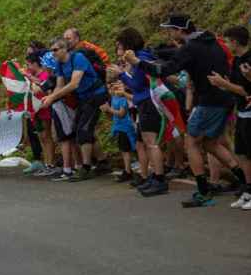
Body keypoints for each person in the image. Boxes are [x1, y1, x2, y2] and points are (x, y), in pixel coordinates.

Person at [124, 15, 244, 207]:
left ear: (180, 30)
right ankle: (245, 180)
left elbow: (163, 71)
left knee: (191, 143)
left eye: (171, 30)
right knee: (210, 143)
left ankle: (203, 192)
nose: (170, 34)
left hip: (208, 101)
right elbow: (178, 56)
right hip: (225, 98)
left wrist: (137, 62)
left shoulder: (191, 48)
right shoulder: (212, 41)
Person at [108, 27, 168, 196]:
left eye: (120, 45)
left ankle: (159, 178)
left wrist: (121, 75)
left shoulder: (140, 58)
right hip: (143, 103)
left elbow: (137, 84)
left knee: (152, 142)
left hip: (149, 102)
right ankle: (155, 175)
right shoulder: (139, 58)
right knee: (147, 143)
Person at [41, 38, 108, 181]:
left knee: (83, 130)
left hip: (96, 94)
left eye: (55, 50)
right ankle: (102, 161)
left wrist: (52, 98)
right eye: (51, 50)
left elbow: (74, 84)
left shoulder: (78, 58)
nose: (53, 53)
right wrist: (50, 97)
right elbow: (60, 85)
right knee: (80, 129)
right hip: (84, 98)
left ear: (64, 49)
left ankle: (86, 168)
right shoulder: (59, 64)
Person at [208, 26, 251, 208]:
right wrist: (223, 84)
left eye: (227, 41)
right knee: (242, 153)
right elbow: (236, 86)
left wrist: (224, 84)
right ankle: (248, 189)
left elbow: (245, 90)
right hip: (242, 112)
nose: (226, 45)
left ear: (234, 41)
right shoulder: (236, 61)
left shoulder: (250, 59)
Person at [103, 81, 139, 182]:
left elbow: (121, 114)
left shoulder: (123, 99)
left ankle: (129, 171)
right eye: (111, 88)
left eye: (116, 87)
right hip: (119, 127)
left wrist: (109, 109)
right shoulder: (113, 99)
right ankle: (128, 170)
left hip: (126, 128)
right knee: (123, 150)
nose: (113, 90)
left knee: (127, 149)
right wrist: (106, 111)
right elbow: (112, 116)